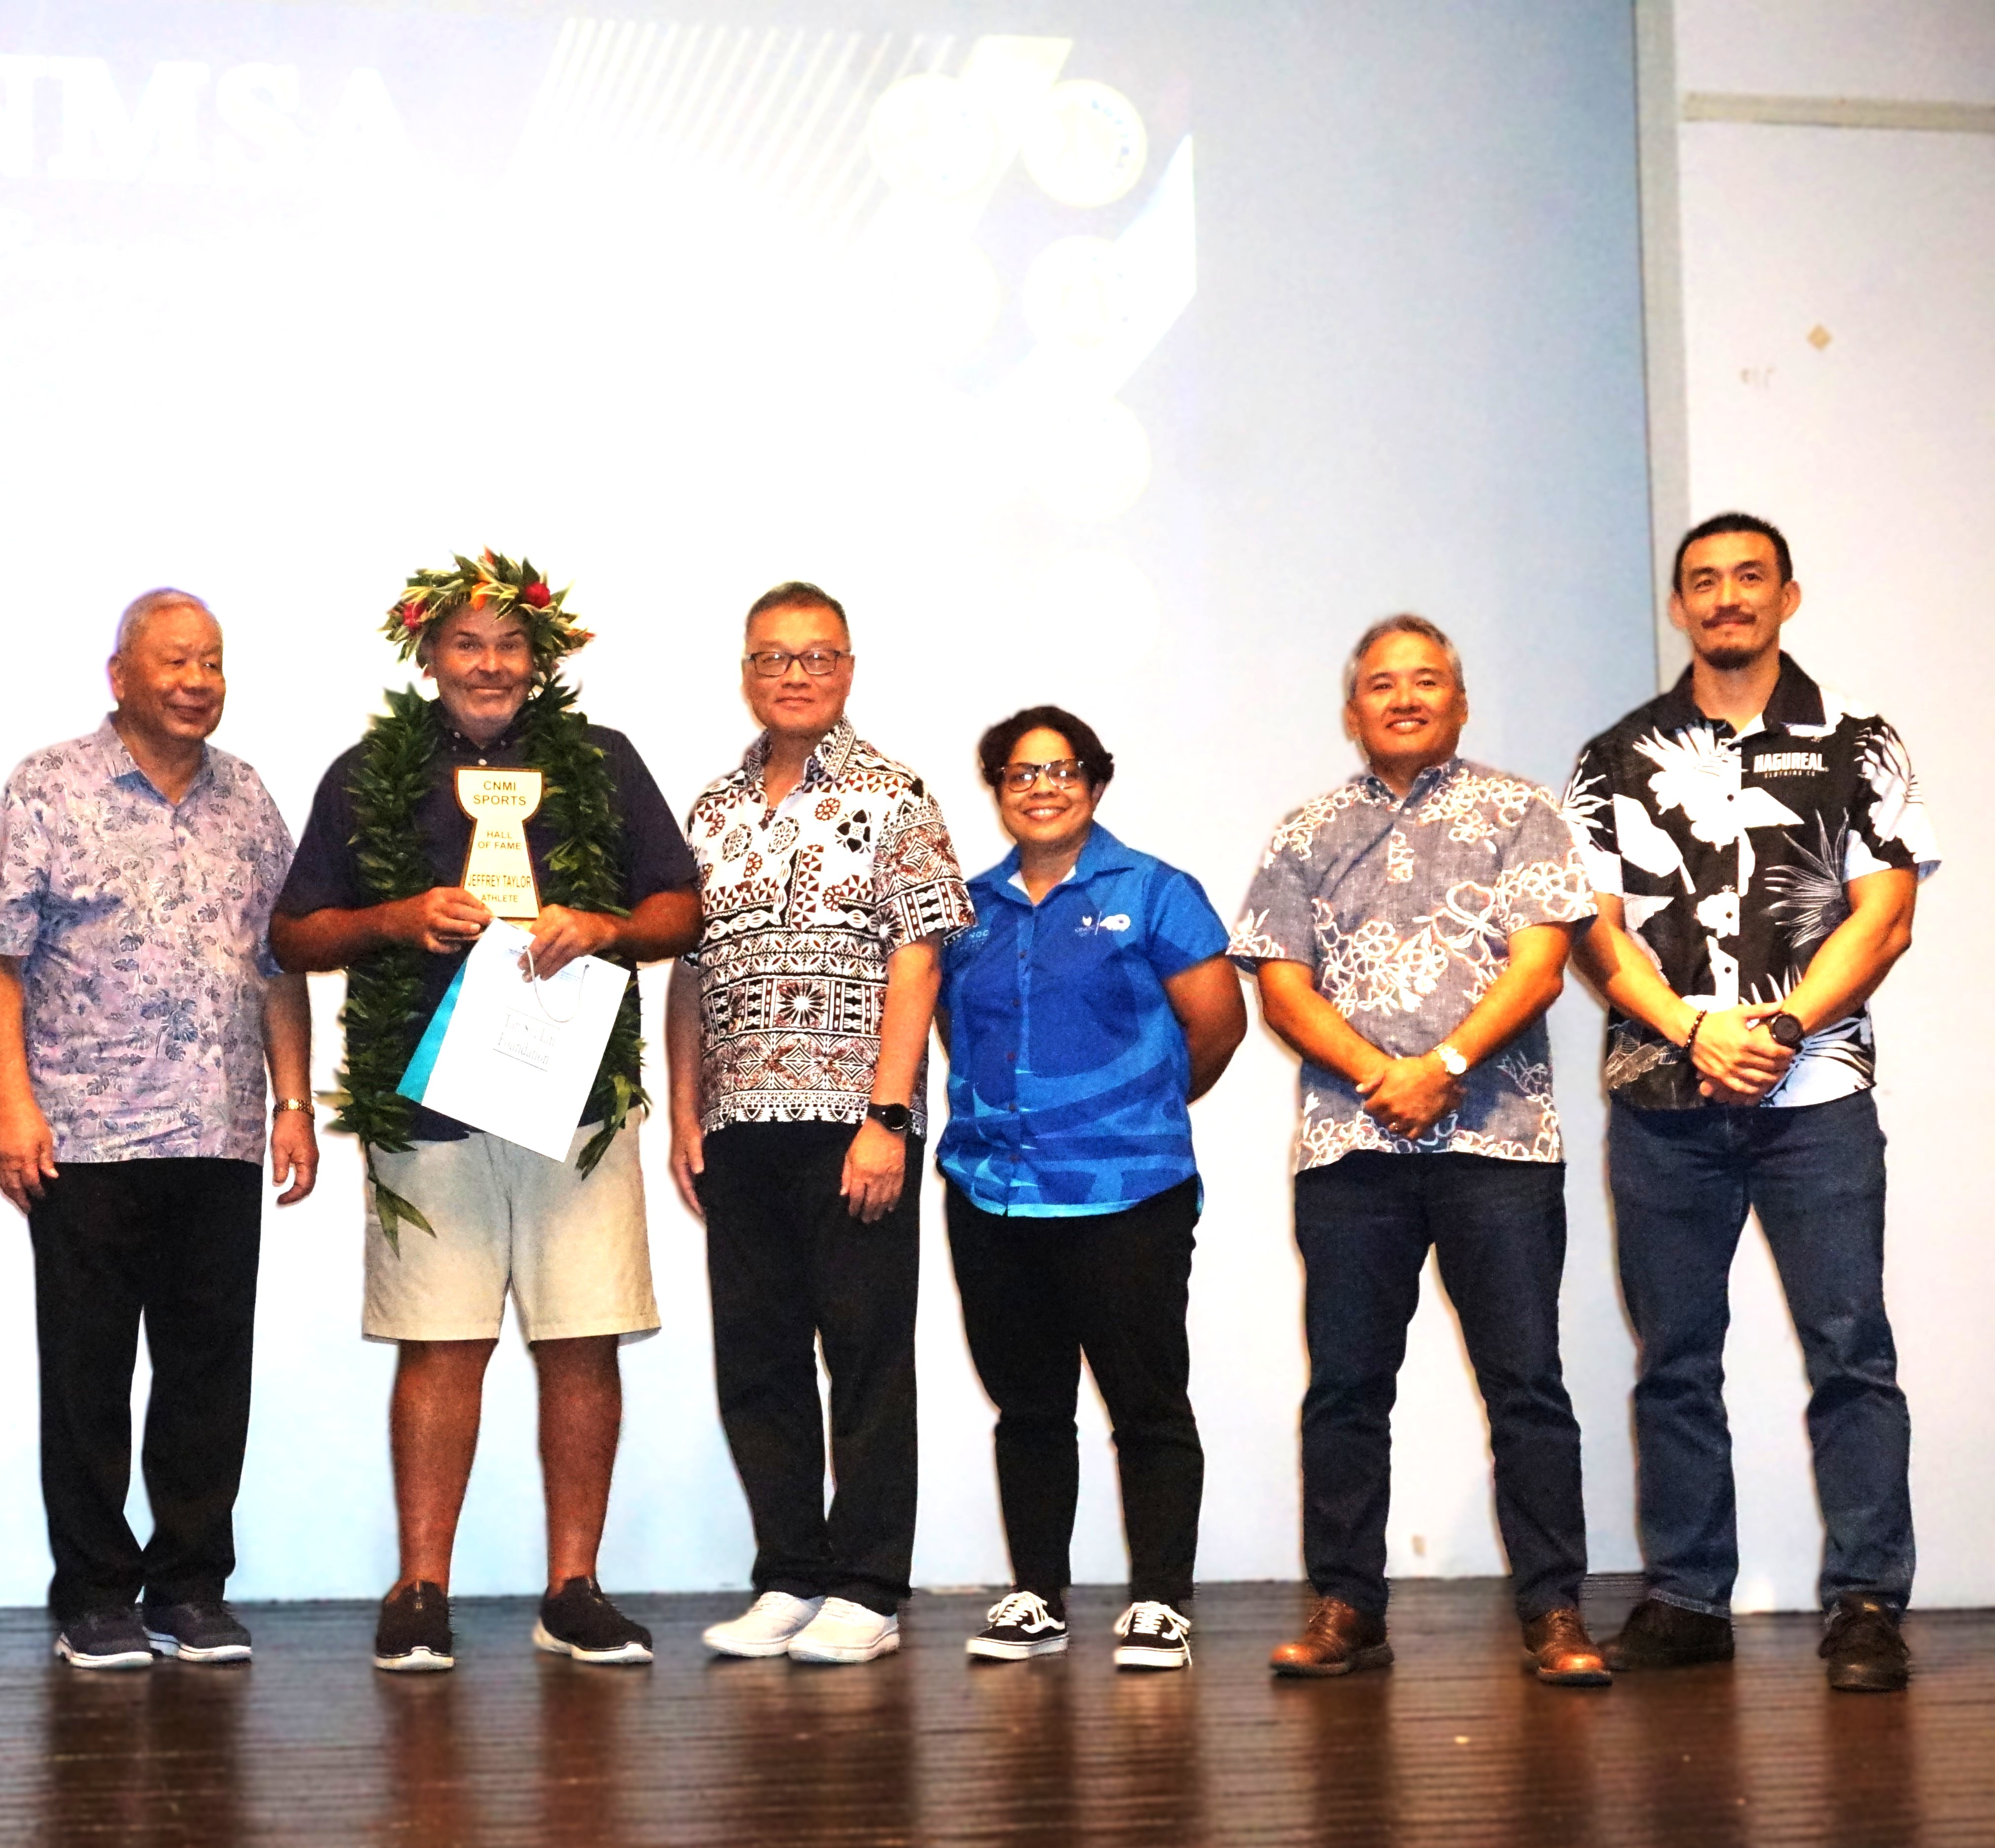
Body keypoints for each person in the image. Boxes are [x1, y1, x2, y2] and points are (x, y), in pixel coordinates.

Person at [270, 550, 700, 1672]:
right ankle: (421, 1590)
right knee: (441, 1342)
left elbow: (680, 906)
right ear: (427, 655)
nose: (492, 664)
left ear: (540, 659)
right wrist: (396, 917)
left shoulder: (601, 763)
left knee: (583, 1336)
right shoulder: (369, 771)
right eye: (468, 643)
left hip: (578, 1101)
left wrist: (606, 928)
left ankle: (575, 1588)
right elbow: (295, 935)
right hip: (425, 1098)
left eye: (511, 645)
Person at [1567, 512, 1934, 1693]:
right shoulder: (1613, 757)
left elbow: (1884, 915)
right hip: (1663, 1096)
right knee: (1675, 1356)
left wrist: (1777, 1027)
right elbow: (1598, 937)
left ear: (1788, 595)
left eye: (1749, 579)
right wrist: (1693, 1028)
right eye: (1704, 582)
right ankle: (1686, 1596)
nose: (1726, 598)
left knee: (1850, 1349)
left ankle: (1868, 1599)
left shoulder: (1859, 745)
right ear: (1680, 607)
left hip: (1816, 1093)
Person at [1228, 614, 1609, 1686]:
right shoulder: (1307, 829)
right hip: (1352, 1148)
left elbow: (1540, 969)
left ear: (1461, 700)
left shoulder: (1520, 809)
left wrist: (1438, 1064)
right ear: (1352, 712)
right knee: (1347, 1386)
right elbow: (1282, 983)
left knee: (1526, 1383)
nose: (1404, 698)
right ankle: (1348, 1603)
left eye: (1427, 680)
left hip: (1501, 1142)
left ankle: (1556, 1612)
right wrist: (1377, 1073)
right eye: (1382, 685)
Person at [0, 589, 319, 1672]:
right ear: (120, 675)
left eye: (211, 661)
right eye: (174, 661)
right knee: (88, 1376)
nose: (196, 680)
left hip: (220, 1132)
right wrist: (11, 1104)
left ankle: (192, 1584)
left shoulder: (249, 798)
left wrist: (294, 1100)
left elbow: (279, 966)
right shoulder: (49, 785)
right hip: (84, 1135)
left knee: (209, 1375)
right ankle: (96, 1594)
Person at [669, 581, 974, 1667]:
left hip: (855, 1119)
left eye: (817, 656)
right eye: (773, 657)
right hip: (739, 1122)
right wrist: (684, 1110)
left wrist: (889, 1113)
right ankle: (789, 1575)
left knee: (866, 1352)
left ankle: (869, 1589)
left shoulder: (895, 795)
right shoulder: (711, 807)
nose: (794, 673)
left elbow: (920, 954)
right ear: (746, 671)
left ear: (848, 668)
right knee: (757, 1357)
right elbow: (689, 968)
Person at [934, 706, 1244, 1672]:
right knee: (1027, 1405)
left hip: (1129, 1190)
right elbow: (960, 1032)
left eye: (1062, 770)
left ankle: (1160, 1598)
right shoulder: (967, 908)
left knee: (1147, 1399)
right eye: (1020, 772)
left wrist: (1135, 1107)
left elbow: (1217, 1026)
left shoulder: (1155, 891)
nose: (1042, 787)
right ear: (997, 788)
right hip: (992, 1190)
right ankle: (1036, 1593)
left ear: (1096, 783)